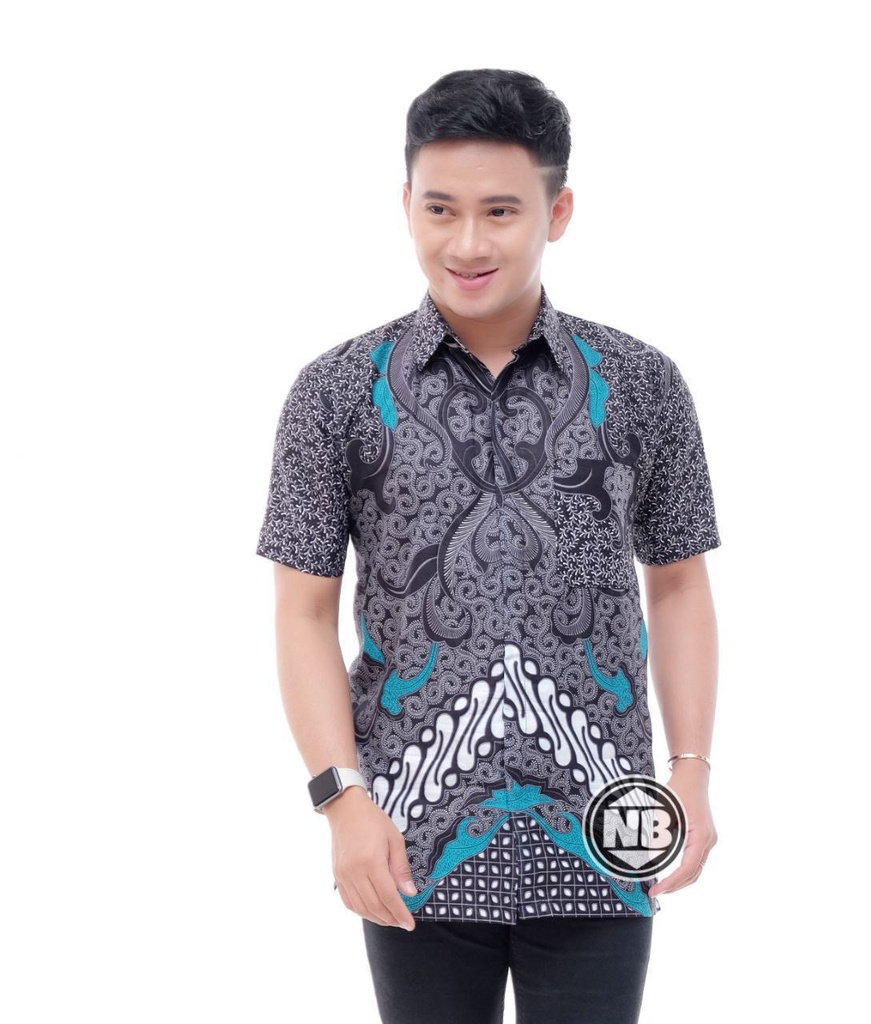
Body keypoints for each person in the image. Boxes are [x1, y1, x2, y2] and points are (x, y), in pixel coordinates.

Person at [256, 68, 721, 1024]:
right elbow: (302, 613)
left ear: (558, 212)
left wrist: (692, 771)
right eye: (441, 209)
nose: (467, 243)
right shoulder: (333, 393)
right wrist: (341, 800)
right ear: (406, 206)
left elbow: (677, 584)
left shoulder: (642, 383)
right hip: (408, 839)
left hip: (608, 831)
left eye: (501, 211)